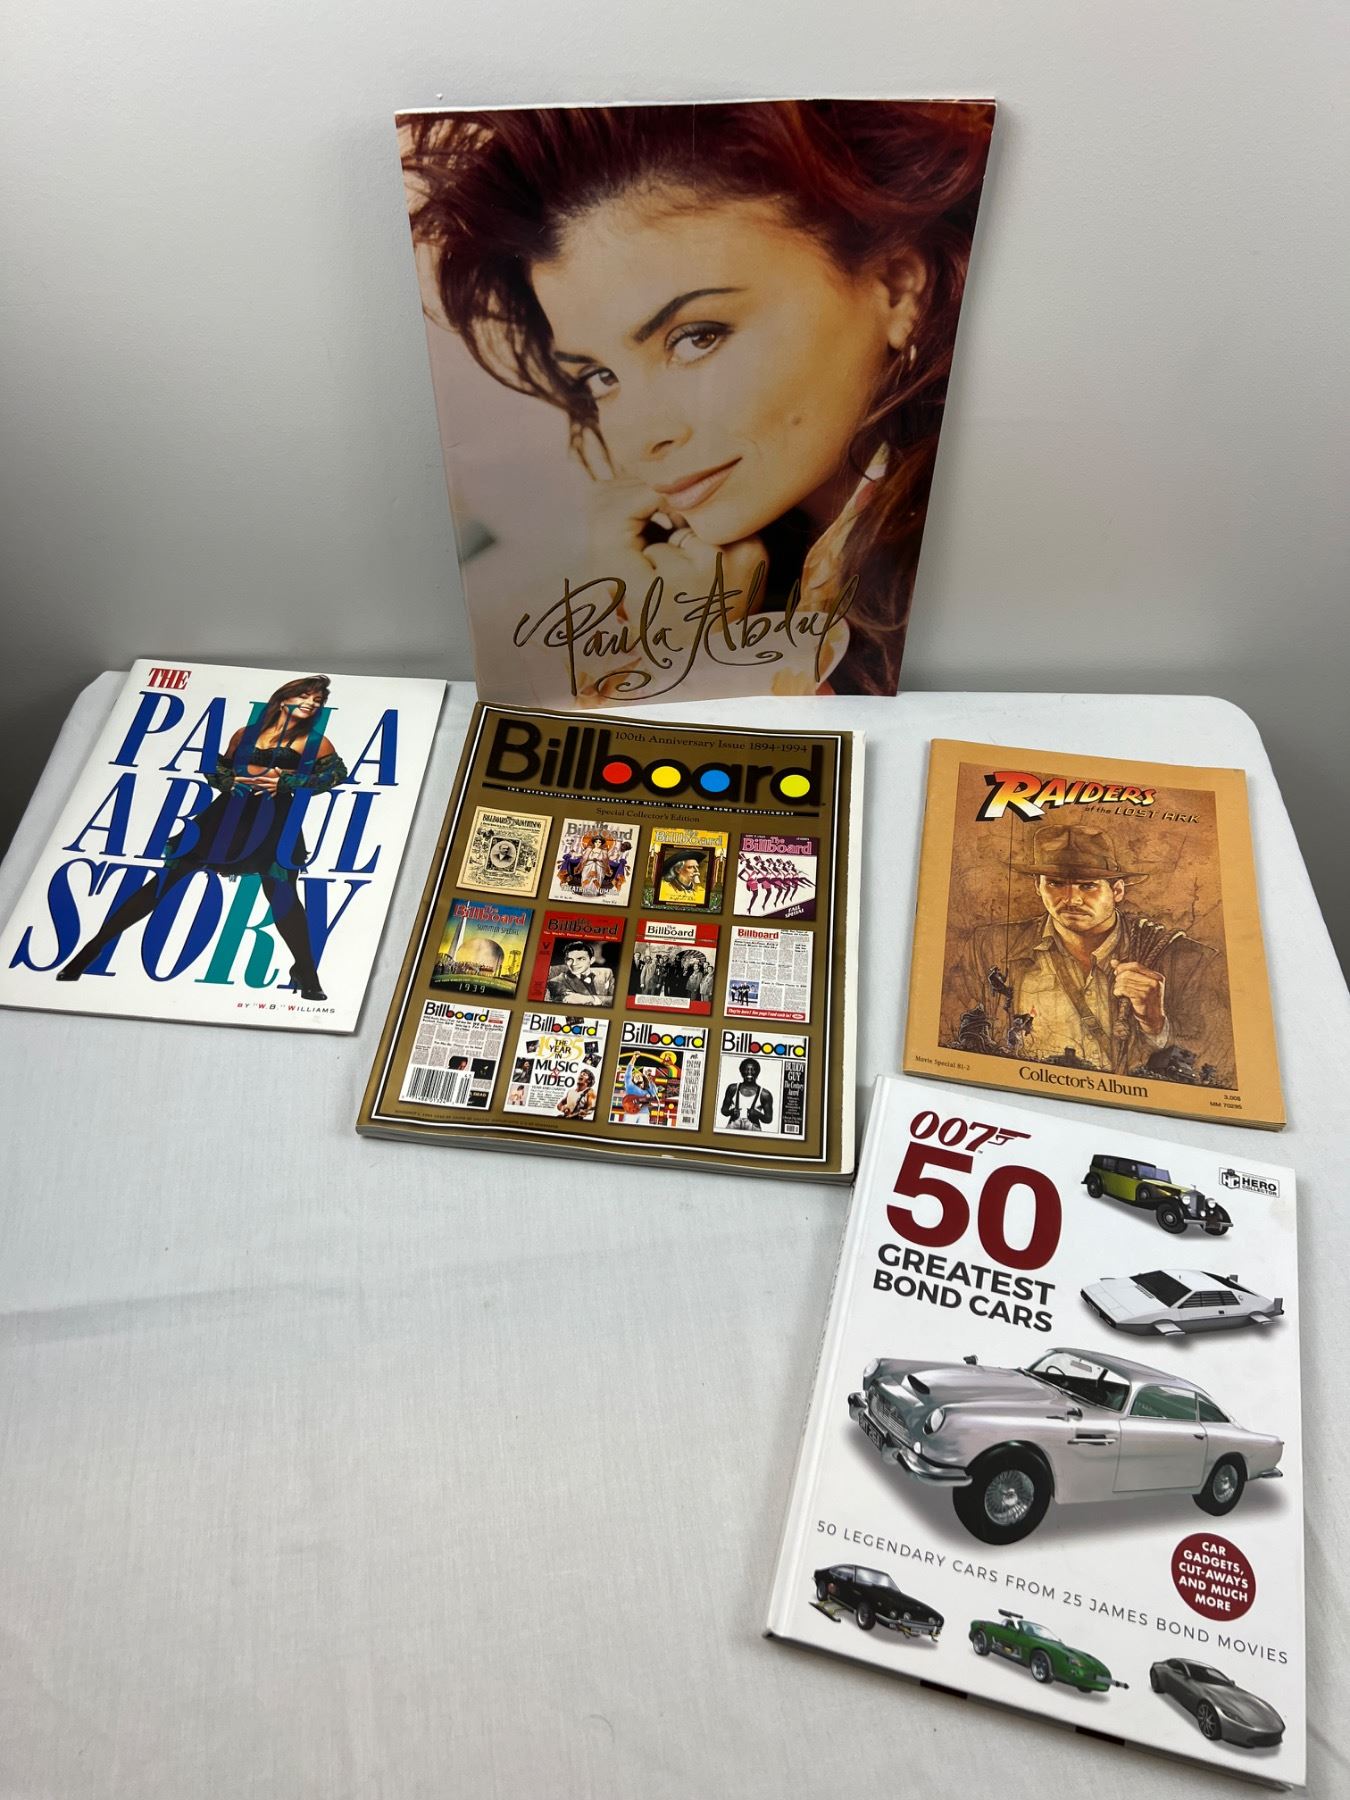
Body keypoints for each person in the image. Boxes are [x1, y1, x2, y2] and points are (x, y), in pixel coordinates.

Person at [401, 102, 994, 696]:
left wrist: (685, 666)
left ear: (896, 288)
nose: (639, 440)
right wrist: (674, 640)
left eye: (696, 338)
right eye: (599, 377)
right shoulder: (712, 572)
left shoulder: (977, 553)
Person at [56, 676, 345, 1000]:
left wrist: (286, 783)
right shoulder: (245, 734)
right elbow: (217, 770)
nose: (311, 703)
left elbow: (336, 774)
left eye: (317, 700)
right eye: (305, 695)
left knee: (283, 896)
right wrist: (232, 781)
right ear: (284, 698)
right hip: (226, 817)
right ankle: (91, 949)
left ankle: (306, 972)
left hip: (276, 822)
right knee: (163, 882)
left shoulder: (316, 741)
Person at [946, 824, 1234, 1080]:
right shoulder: (991, 947)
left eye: (1088, 885)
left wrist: (1155, 1024)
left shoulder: (1189, 961)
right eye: (1056, 884)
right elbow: (958, 1040)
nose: (1072, 899)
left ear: (1117, 891)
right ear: (1038, 886)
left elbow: (1217, 1067)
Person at [545, 940, 615, 1004]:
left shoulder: (607, 973)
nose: (574, 963)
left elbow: (616, 999)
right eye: (570, 959)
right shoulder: (556, 980)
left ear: (591, 960)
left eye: (580, 959)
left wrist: (592, 999)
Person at [720, 1056, 775, 1130]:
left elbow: (768, 1119)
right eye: (746, 1069)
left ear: (757, 1072)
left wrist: (758, 1114)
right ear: (741, 1071)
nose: (749, 1072)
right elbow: (724, 1111)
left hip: (753, 1128)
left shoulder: (765, 1094)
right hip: (733, 1126)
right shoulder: (732, 1088)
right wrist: (731, 1112)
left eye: (753, 1070)